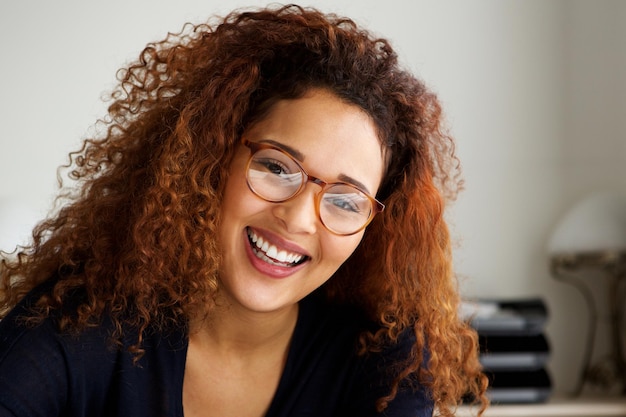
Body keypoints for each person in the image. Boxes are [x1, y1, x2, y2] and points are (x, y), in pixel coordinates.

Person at [0, 4, 488, 417]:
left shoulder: (386, 363)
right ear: (211, 158)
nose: (298, 219)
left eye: (344, 201)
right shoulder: (77, 326)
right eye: (276, 167)